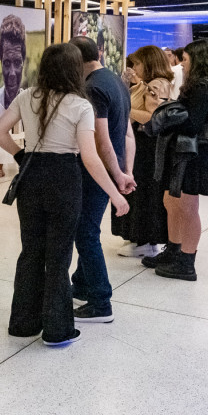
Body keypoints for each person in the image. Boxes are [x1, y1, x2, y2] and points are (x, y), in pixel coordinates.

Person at [0, 43, 129, 347]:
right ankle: (56, 329)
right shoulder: (80, 106)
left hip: (31, 177)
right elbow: (91, 159)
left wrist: (21, 156)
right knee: (58, 256)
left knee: (30, 251)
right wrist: (116, 194)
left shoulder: (27, 97)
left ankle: (23, 323)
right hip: (65, 178)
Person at [144, 39, 208, 281]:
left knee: (187, 206)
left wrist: (167, 110)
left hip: (195, 155)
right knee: (171, 200)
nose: (181, 65)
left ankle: (187, 260)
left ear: (198, 60)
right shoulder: (200, 84)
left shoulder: (202, 86)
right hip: (187, 154)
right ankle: (174, 250)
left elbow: (193, 124)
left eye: (185, 60)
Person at [68, 36, 135, 324]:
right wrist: (125, 170)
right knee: (88, 228)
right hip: (112, 169)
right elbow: (128, 134)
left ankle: (100, 300)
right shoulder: (116, 81)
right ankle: (82, 283)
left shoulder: (93, 88)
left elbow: (101, 140)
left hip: (97, 172)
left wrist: (117, 174)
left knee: (85, 233)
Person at [115, 45, 174, 259]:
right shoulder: (146, 84)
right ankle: (140, 236)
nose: (134, 67)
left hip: (147, 144)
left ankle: (146, 239)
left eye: (138, 63)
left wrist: (125, 110)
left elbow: (154, 116)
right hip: (141, 143)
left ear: (148, 63)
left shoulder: (158, 85)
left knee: (144, 189)